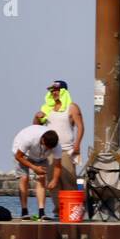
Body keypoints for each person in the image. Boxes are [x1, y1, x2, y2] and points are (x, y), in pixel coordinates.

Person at [38, 80, 84, 213]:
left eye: (57, 90)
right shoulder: (47, 108)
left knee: (68, 180)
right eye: (52, 91)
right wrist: (37, 117)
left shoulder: (72, 107)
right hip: (50, 151)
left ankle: (73, 210)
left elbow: (80, 126)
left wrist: (77, 144)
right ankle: (59, 209)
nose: (54, 93)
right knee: (53, 182)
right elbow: (37, 125)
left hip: (66, 150)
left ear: (63, 91)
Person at [13, 125, 62, 220]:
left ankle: (41, 212)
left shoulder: (56, 146)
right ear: (42, 140)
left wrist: (55, 180)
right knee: (24, 178)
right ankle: (24, 211)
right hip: (22, 155)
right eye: (47, 147)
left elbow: (57, 165)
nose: (48, 150)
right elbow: (18, 157)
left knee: (42, 178)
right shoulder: (29, 138)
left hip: (40, 157)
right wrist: (34, 167)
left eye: (50, 149)